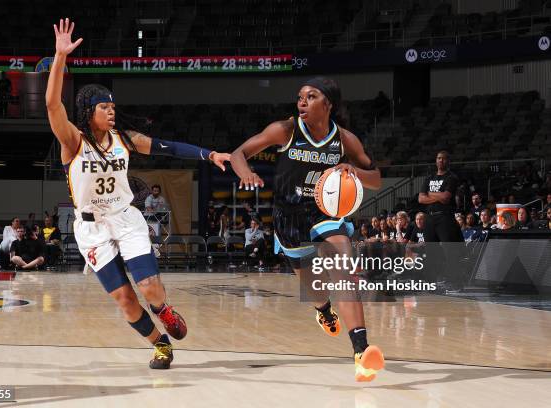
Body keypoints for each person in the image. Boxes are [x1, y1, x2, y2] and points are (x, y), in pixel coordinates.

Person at [45, 18, 230, 369]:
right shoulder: (73, 142)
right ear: (88, 112)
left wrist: (209, 154)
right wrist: (60, 57)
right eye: (104, 106)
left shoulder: (124, 139)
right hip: (91, 229)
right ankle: (159, 344)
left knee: (148, 288)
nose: (111, 110)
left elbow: (169, 148)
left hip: (125, 219)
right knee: (125, 299)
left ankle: (164, 310)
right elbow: (53, 104)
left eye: (113, 105)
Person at [230, 76, 384, 381]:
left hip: (325, 211)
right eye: (300, 96)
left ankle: (361, 352)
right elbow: (238, 154)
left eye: (310, 96)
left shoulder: (345, 140)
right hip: (288, 217)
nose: (302, 101)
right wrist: (246, 172)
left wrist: (354, 171)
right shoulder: (285, 130)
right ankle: (324, 310)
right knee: (314, 289)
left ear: (328, 104)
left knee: (343, 264)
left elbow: (376, 177)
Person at [418, 151, 464, 288]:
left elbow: (446, 198)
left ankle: (454, 281)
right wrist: (438, 195)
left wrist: (430, 194)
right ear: (436, 160)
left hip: (445, 216)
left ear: (448, 161)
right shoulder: (429, 177)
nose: (441, 161)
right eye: (439, 158)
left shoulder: (451, 177)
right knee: (431, 251)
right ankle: (432, 281)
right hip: (430, 217)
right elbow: (421, 198)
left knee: (450, 250)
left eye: (444, 159)